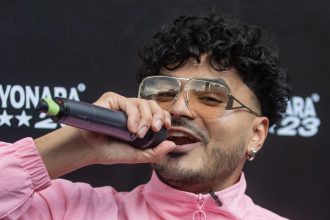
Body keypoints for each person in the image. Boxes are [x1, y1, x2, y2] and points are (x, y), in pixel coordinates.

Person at [0, 14, 290, 220]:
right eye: (163, 94)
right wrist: (78, 146)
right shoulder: (66, 210)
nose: (177, 110)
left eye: (210, 98)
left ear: (256, 135)